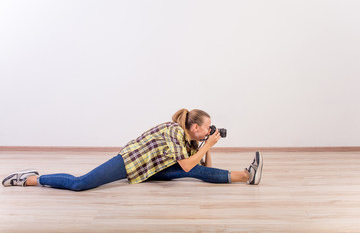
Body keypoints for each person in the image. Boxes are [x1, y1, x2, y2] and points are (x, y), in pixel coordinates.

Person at [2, 109, 263, 191]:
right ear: (194, 127)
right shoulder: (173, 132)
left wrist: (206, 146)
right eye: (206, 129)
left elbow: (200, 167)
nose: (208, 132)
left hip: (151, 170)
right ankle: (31, 179)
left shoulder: (190, 140)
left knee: (193, 172)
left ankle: (246, 175)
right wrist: (207, 144)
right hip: (129, 163)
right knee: (81, 184)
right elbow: (185, 164)